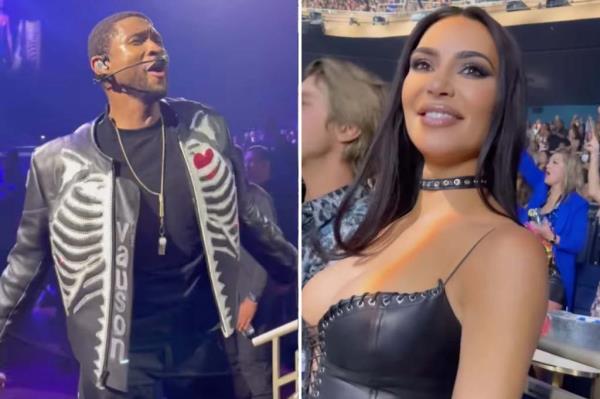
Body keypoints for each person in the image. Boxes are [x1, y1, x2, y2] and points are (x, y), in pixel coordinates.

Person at [0, 11, 296, 398]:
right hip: (119, 372)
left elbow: (249, 219)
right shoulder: (57, 162)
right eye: (138, 41)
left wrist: (303, 277)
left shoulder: (204, 128)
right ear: (101, 66)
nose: (156, 48)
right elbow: (24, 270)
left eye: (158, 39)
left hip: (206, 364)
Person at [302, 7, 548, 398]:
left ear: (503, 101)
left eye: (472, 70)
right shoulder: (384, 222)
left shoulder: (507, 253)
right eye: (422, 64)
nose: (438, 84)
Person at [520, 148, 588, 311]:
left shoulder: (577, 204)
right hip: (526, 267)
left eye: (554, 162)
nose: (547, 166)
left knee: (543, 330)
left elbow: (577, 244)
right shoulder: (540, 191)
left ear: (568, 171)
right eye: (548, 161)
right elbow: (523, 162)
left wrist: (551, 237)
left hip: (554, 275)